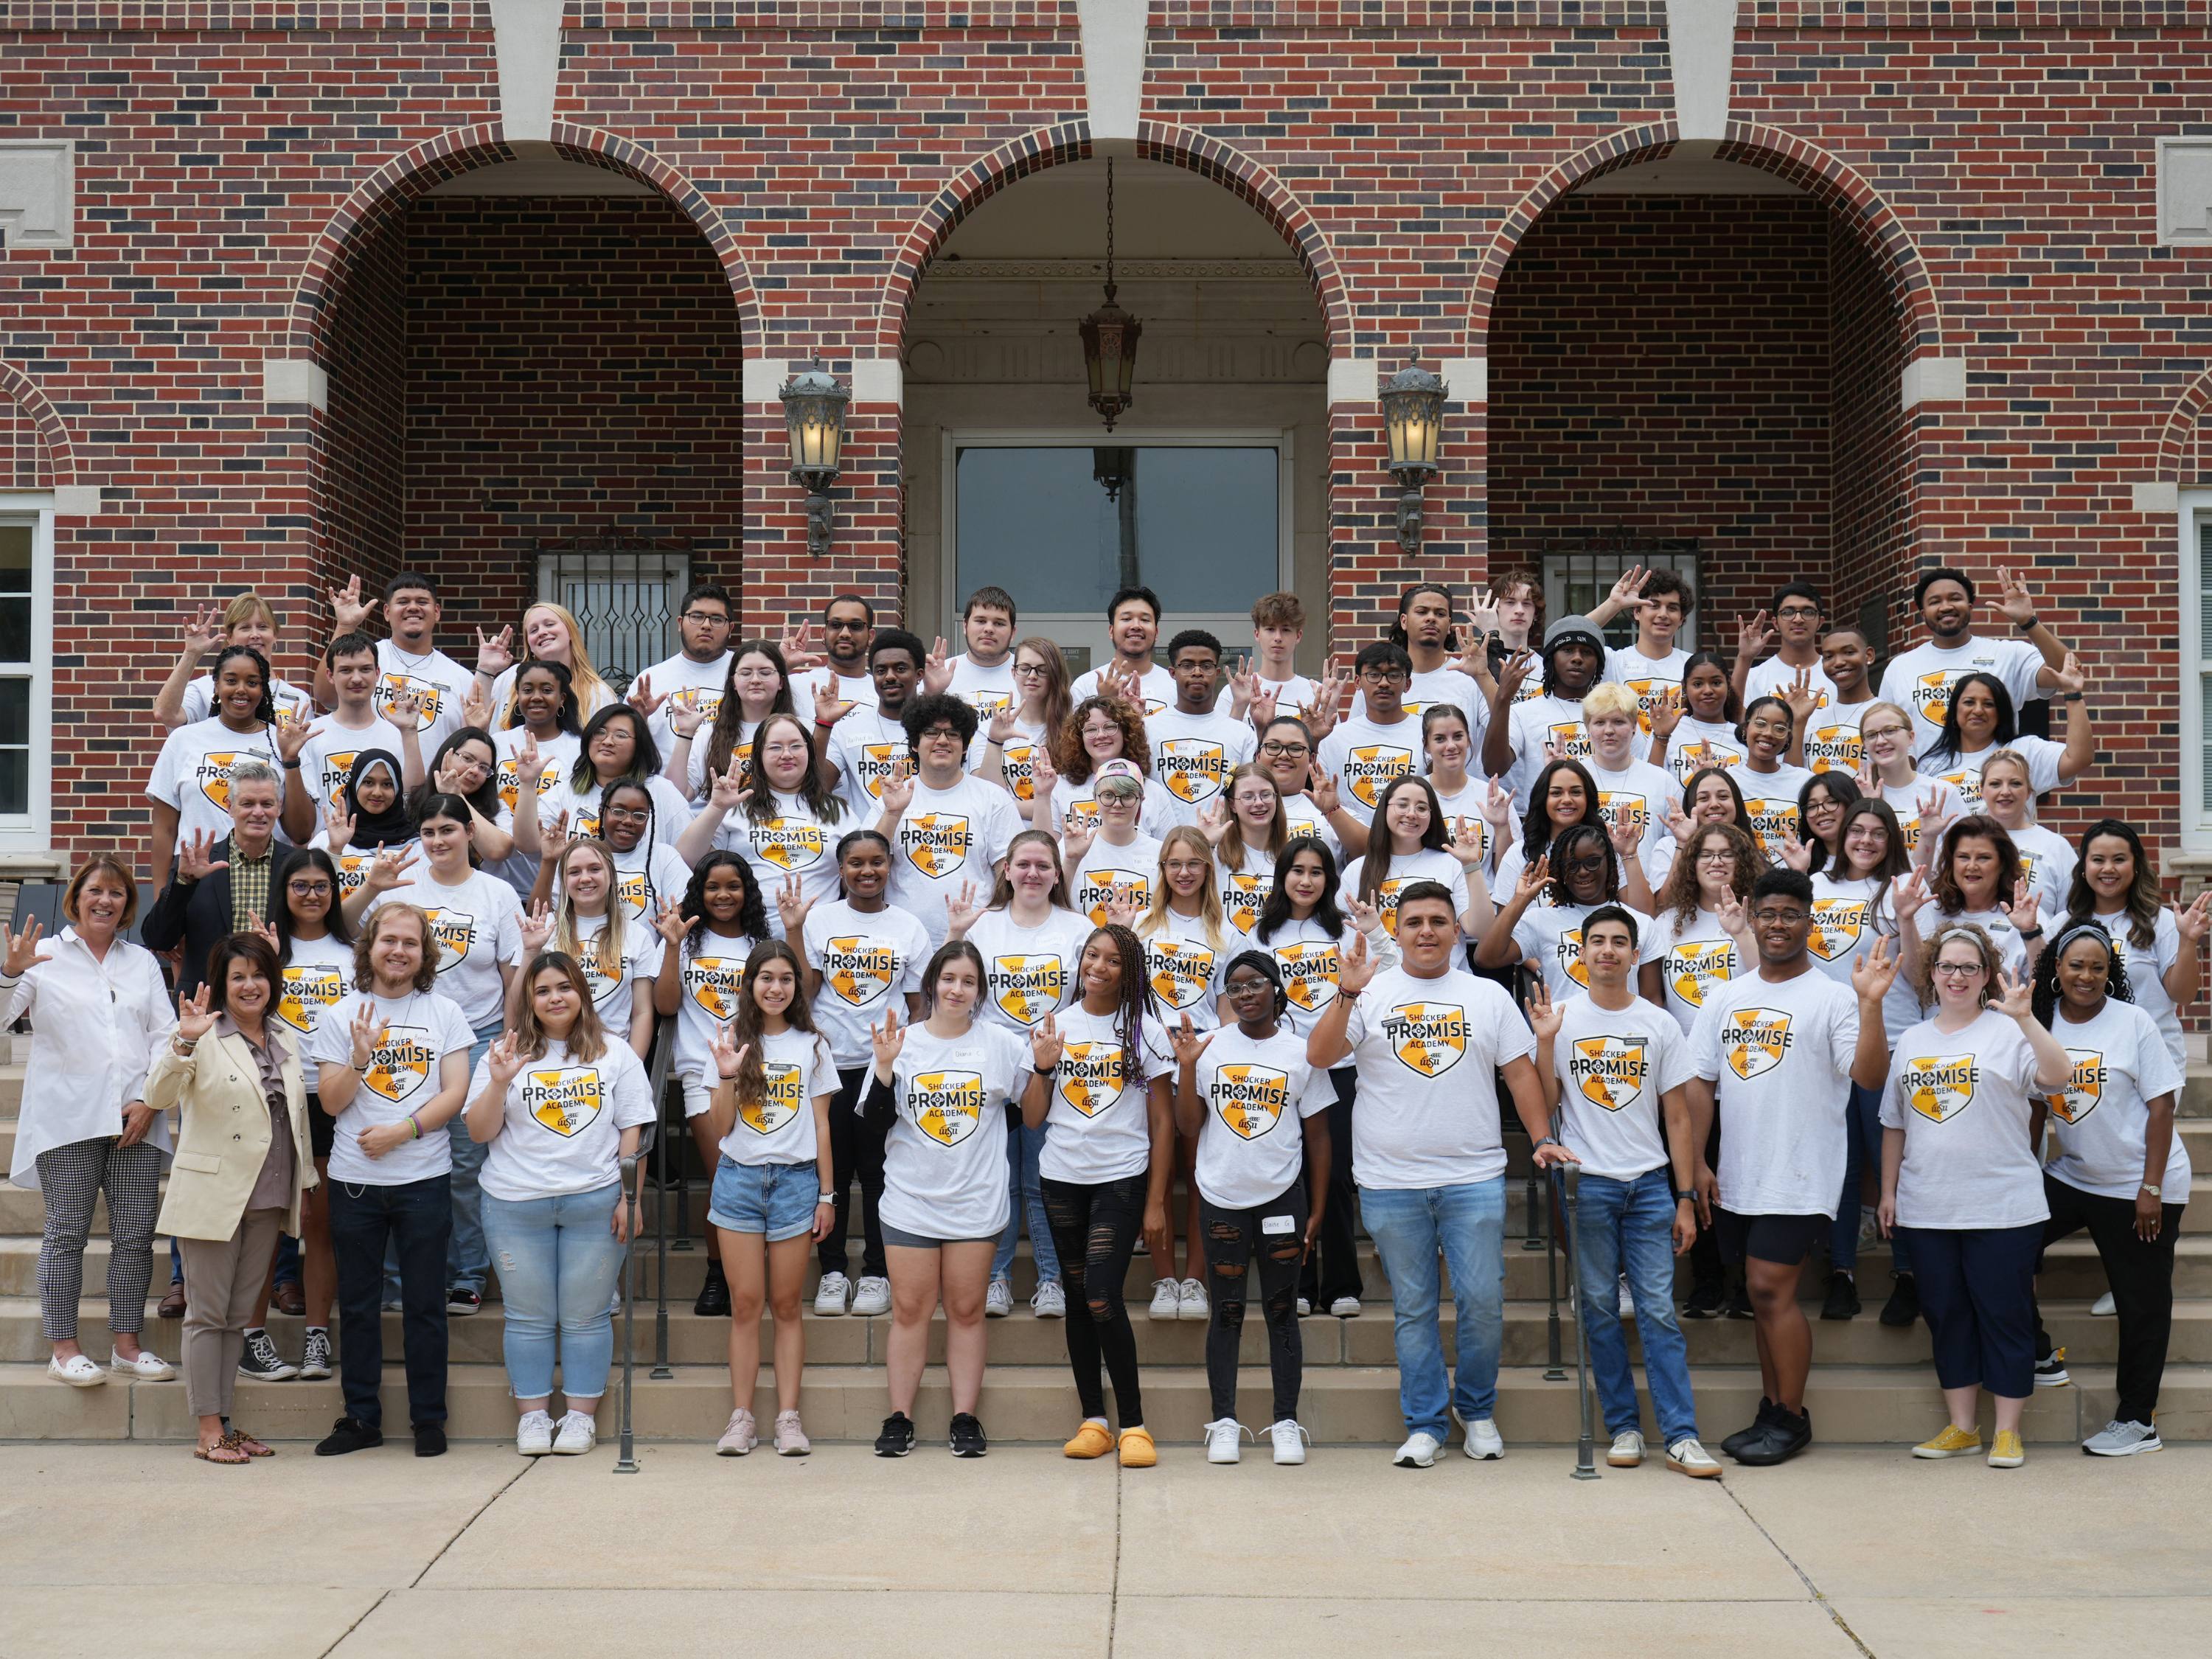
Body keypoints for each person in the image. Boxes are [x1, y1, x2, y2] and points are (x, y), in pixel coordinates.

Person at [1308, 883, 1564, 1467]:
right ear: (1395, 932)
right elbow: (1320, 1057)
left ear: (1457, 931)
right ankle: (1424, 1422)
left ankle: (1474, 1410)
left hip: (1473, 1175)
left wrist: (1544, 1136)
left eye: (1439, 921)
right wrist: (1346, 993)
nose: (1427, 931)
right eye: (1415, 922)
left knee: (1483, 1302)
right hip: (1390, 1179)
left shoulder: (1487, 997)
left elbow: (1521, 1077)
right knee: (1414, 1308)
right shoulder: (1369, 993)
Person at [1685, 868, 1889, 1466]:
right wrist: (1696, 1161)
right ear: (1752, 918)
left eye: (1791, 915)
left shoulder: (1832, 997)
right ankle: (1772, 1408)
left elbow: (1870, 1077)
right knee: (1757, 1292)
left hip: (1802, 1174)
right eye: (1768, 914)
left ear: (1809, 921)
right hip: (1741, 1172)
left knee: (1772, 1289)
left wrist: (1872, 1005)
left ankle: (1792, 1417)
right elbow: (1700, 1083)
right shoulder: (1726, 994)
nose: (1778, 925)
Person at [1870, 922, 2069, 1468]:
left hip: (2004, 1206)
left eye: (1969, 967)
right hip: (1928, 1205)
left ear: (1986, 975)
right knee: (1947, 1315)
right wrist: (1888, 1193)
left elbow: (2058, 1077)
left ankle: (2007, 1432)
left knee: (2004, 1315)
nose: (1957, 976)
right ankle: (1963, 1427)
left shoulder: (2008, 1030)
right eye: (1946, 966)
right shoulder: (1913, 1039)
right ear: (1931, 973)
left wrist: (2027, 1018)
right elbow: (1894, 1124)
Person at [1530, 914, 1722, 1478]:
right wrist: (1544, 1044)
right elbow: (1546, 1102)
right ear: (1581, 952)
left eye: (1619, 942)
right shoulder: (1560, 1020)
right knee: (1598, 1309)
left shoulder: (1659, 1022)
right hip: (1588, 1185)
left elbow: (1679, 1117)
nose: (1608, 950)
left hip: (1648, 1186)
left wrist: (1685, 1196)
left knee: (1659, 1312)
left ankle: (1682, 1436)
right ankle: (1624, 1427)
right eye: (1598, 942)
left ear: (1635, 954)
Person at [307, 902, 475, 1457]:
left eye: (410, 942)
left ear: (424, 953)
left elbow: (455, 1093)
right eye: (388, 941)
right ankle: (361, 1418)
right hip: (356, 1183)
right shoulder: (341, 1014)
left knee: (426, 1304)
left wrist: (404, 1130)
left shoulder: (444, 1013)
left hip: (423, 1177)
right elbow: (331, 1104)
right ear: (370, 948)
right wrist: (358, 1059)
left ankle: (429, 1420)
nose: (398, 951)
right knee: (358, 1304)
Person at [1, 859, 175, 1388]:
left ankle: (127, 1345)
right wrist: (10, 972)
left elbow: (166, 1035)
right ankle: (64, 1348)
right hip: (68, 1118)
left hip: (135, 1120)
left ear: (128, 903)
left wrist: (151, 1099)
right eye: (96, 891)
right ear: (75, 897)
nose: (106, 900)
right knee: (67, 1234)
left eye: (118, 892)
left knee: (134, 1236)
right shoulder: (43, 956)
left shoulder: (142, 961)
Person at [865, 942, 1043, 1458]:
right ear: (932, 985)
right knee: (909, 1310)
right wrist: (883, 1068)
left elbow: (1028, 1117)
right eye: (948, 980)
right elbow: (874, 1126)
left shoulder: (1002, 1045)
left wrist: (1047, 1070)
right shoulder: (903, 1043)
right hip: (910, 1201)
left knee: (967, 1310)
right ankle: (899, 1418)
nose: (957, 990)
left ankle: (965, 1418)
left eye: (968, 981)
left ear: (981, 990)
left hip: (975, 1202)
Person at [467, 950, 649, 1457]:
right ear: (529, 999)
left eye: (564, 987)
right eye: (543, 990)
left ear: (582, 993)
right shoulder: (502, 1052)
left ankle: (578, 1419)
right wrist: (500, 1081)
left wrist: (629, 1198)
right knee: (528, 1315)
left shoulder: (615, 1053)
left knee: (585, 1315)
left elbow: (633, 1129)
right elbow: (480, 1131)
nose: (554, 997)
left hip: (594, 1199)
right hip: (514, 1202)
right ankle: (531, 1419)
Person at [352, 792, 525, 1313]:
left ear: (470, 833)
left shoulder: (497, 895)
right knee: (400, 1159)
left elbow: (512, 976)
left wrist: (507, 1044)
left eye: (448, 829)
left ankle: (468, 1273)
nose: (437, 841)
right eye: (428, 831)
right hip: (405, 1039)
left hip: (476, 1036)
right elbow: (358, 944)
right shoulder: (401, 886)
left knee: (467, 1166)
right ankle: (398, 1279)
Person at [2028, 919, 2190, 1455]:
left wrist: (2151, 1188)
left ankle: (2137, 1419)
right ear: (2057, 967)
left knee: (2142, 1303)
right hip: (2075, 1174)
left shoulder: (2133, 1022)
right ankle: (2036, 1351)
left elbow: (2162, 1106)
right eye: (2076, 964)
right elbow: (2033, 1106)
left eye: (2099, 967)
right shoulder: (2041, 1021)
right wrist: (2025, 1171)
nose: (2087, 976)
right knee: (2009, 1240)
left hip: (2139, 1182)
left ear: (2110, 972)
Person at [146, 936, 307, 1465]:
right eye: (238, 976)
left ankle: (228, 1426)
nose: (250, 985)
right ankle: (208, 1429)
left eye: (258, 975)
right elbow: (158, 1096)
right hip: (213, 1195)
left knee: (238, 1318)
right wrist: (183, 1043)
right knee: (208, 1316)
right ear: (220, 982)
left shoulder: (285, 1036)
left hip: (266, 1196)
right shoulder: (199, 1034)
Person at [1175, 952, 1332, 1466]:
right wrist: (1188, 1066)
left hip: (1283, 1195)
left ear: (1276, 989)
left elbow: (1319, 1136)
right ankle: (1224, 1421)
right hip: (1222, 1195)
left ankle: (1285, 1421)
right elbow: (1189, 1126)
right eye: (1235, 987)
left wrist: (1318, 1208)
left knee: (1282, 1313)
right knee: (1227, 1312)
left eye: (1255, 984)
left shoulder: (1300, 1052)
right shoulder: (1211, 1047)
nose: (1244, 994)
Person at [1027, 925, 1174, 1467]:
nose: (1100, 967)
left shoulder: (1146, 1031)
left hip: (1122, 1176)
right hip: (1062, 1176)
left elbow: (1162, 1121)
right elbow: (1033, 1117)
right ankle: (1094, 1421)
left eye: (1114, 960)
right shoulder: (1052, 1026)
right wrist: (1043, 1064)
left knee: (1100, 1294)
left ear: (1128, 971)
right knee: (1075, 1295)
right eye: (1092, 955)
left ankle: (1134, 1425)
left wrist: (1157, 1201)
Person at [693, 940, 837, 1456]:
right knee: (746, 1304)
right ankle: (742, 1418)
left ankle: (789, 1419)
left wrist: (828, 1194)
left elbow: (822, 1125)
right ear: (750, 984)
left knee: (786, 1304)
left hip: (797, 1183)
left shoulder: (812, 1045)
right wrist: (728, 1072)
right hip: (740, 1181)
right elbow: (721, 1125)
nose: (776, 988)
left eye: (786, 979)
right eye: (766, 978)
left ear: (797, 987)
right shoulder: (729, 1040)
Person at [1248, 837, 1397, 1316]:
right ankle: (1299, 1284)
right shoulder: (1260, 935)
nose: (1307, 880)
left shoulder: (1345, 929)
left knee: (1333, 1177)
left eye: (1317, 871)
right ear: (1282, 877)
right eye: (1297, 870)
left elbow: (1393, 971)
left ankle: (1341, 1285)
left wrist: (1375, 933)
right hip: (1283, 1069)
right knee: (1288, 1176)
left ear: (1329, 880)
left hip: (1340, 1069)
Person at [942, 829, 1082, 1320]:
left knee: (1044, 1178)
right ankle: (996, 1277)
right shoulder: (984, 926)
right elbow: (957, 992)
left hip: (1053, 1071)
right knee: (997, 1178)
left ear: (1058, 874)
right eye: (1023, 864)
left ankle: (1051, 1279)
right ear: (1006, 869)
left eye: (1044, 865)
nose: (1033, 873)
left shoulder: (1077, 928)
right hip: (995, 1069)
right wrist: (957, 935)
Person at [793, 830, 931, 1319]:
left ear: (890, 865)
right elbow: (804, 992)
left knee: (877, 1173)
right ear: (841, 869)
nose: (866, 871)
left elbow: (916, 1006)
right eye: (855, 863)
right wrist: (793, 931)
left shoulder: (909, 927)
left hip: (882, 1068)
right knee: (833, 1172)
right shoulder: (820, 920)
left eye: (876, 862)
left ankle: (875, 1272)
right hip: (830, 1065)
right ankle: (832, 1272)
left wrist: (901, 1060)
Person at [1801, 799, 1924, 1323]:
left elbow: (1921, 978)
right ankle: (1842, 1274)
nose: (1866, 841)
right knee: (1841, 1164)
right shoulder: (1814, 886)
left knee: (1889, 1162)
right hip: (1824, 1047)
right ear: (1842, 835)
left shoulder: (1904, 892)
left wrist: (1907, 919)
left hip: (1889, 1042)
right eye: (1858, 831)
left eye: (1878, 832)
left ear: (1892, 838)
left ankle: (1908, 1274)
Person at [647, 852, 771, 1317]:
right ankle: (719, 1272)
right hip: (702, 1071)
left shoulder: (761, 942)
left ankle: (754, 1271)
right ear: (700, 890)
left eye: (733, 886)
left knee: (757, 1176)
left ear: (747, 892)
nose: (723, 895)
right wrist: (674, 946)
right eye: (714, 886)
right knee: (725, 1178)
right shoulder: (686, 940)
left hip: (760, 1073)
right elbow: (664, 1005)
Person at [248, 848, 351, 1382]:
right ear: (282, 892)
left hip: (331, 1097)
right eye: (300, 885)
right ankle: (251, 1335)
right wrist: (268, 961)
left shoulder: (353, 952)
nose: (311, 895)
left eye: (321, 885)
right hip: (274, 1096)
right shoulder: (265, 951)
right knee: (268, 1221)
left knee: (319, 1223)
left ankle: (316, 1338)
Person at [2061, 820, 2211, 1074]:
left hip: (2152, 1060)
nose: (2108, 868)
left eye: (2119, 859)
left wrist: (2188, 940)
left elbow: (2183, 996)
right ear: (2084, 867)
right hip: (2086, 1061)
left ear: (2136, 866)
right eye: (2098, 860)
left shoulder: (2161, 923)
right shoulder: (2064, 925)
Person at [678, 712, 844, 937]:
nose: (787, 755)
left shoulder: (838, 810)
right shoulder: (736, 804)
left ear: (809, 752)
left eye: (796, 746)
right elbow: (687, 858)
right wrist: (717, 807)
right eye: (775, 747)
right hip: (749, 940)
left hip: (818, 941)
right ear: (758, 756)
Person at [1877, 566, 2070, 759]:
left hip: (1997, 785)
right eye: (1935, 602)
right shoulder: (1900, 668)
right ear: (1923, 614)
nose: (1946, 607)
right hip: (1927, 787)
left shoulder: (2007, 654)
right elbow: (1882, 735)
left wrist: (2028, 621)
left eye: (1955, 598)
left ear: (1970, 606)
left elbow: (2068, 672)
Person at [877, 692, 1021, 949]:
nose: (942, 740)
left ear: (965, 746)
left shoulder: (993, 799)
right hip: (904, 942)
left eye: (953, 734)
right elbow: (869, 861)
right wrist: (892, 813)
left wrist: (996, 927)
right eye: (932, 732)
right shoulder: (892, 798)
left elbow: (1009, 874)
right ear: (914, 743)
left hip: (975, 942)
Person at [142, 757, 290, 1001]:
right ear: (229, 806)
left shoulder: (295, 865)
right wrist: (184, 884)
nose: (258, 812)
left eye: (267, 803)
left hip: (276, 1002)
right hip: (205, 1004)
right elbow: (158, 939)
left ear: (280, 806)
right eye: (247, 803)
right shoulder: (194, 864)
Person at [146, 644, 284, 890]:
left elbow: (299, 830)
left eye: (252, 682)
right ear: (216, 686)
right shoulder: (183, 739)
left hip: (264, 874)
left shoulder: (281, 741)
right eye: (231, 680)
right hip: (193, 876)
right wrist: (161, 898)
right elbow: (164, 830)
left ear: (263, 690)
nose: (241, 689)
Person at [1478, 821, 1652, 1004]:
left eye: (1592, 862)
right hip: (1561, 1030)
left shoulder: (1640, 922)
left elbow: (1652, 1000)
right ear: (1560, 869)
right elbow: (1486, 958)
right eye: (1572, 864)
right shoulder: (1540, 919)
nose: (1583, 872)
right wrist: (1520, 900)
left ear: (1610, 863)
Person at [518, 840, 658, 1061]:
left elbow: (642, 1012)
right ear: (563, 881)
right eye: (574, 872)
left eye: (595, 869)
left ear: (611, 875)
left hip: (612, 1057)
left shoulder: (637, 934)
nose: (585, 878)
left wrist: (633, 1066)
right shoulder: (543, 929)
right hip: (550, 1057)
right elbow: (520, 1002)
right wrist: (530, 952)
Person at [323, 571, 477, 754]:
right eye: (403, 602)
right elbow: (326, 696)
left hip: (434, 782)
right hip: (368, 779)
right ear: (387, 612)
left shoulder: (462, 678)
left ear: (436, 612)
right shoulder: (367, 658)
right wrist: (345, 626)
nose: (413, 608)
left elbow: (470, 746)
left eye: (422, 602)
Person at [1917, 661, 2093, 814]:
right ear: (1955, 711)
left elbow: (2079, 758)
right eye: (1969, 702)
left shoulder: (2023, 750)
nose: (1978, 710)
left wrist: (2073, 695)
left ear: (2000, 713)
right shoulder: (1930, 764)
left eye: (1988, 704)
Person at [283, 631, 408, 841]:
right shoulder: (310, 735)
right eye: (346, 670)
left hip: (382, 851)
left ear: (377, 673)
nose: (357, 678)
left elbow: (410, 800)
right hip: (327, 854)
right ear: (330, 676)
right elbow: (301, 825)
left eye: (365, 669)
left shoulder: (397, 735)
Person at [518, 705, 690, 856]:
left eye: (621, 735)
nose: (607, 741)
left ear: (640, 745)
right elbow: (528, 846)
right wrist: (527, 784)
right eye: (599, 732)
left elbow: (688, 855)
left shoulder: (661, 791)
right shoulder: (567, 791)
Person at [1910, 816, 2045, 1007]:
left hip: (2004, 1033)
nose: (1972, 866)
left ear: (2002, 864)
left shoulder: (2028, 915)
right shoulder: (1932, 910)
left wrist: (2031, 932)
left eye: (1984, 858)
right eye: (1963, 857)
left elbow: (2043, 987)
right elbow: (1917, 979)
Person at [1638, 824, 1757, 1036]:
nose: (1717, 861)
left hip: (1742, 1043)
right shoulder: (1666, 922)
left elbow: (1769, 980)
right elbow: (1652, 998)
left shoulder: (1757, 915)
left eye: (1727, 854)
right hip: (1683, 1053)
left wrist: (1742, 933)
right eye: (1706, 855)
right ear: (1692, 864)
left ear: (1742, 863)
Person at [1482, 613, 1612, 807]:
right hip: (1543, 829)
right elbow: (1494, 768)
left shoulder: (1613, 714)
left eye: (1587, 652)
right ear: (1551, 659)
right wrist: (1503, 697)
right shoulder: (1524, 712)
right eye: (1567, 650)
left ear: (1599, 663)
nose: (1577, 658)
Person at [1342, 773, 1488, 942]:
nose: (1412, 814)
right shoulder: (1357, 869)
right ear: (1384, 808)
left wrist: (1472, 865)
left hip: (1443, 968)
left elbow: (1481, 930)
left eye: (1421, 808)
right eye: (1402, 805)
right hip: (1380, 968)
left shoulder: (1452, 864)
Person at [156, 591, 317, 730]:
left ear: (275, 635)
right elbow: (165, 714)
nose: (255, 634)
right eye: (245, 627)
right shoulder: (205, 688)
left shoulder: (298, 698)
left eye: (262, 627)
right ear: (230, 637)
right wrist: (191, 654)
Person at [667, 639, 801, 804]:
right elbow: (675, 796)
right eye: (745, 673)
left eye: (765, 673)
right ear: (734, 683)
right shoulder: (711, 734)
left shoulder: (802, 730)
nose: (755, 680)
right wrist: (685, 733)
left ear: (781, 681)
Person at [488, 661, 583, 891]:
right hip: (498, 877)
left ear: (562, 698)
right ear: (517, 696)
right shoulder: (497, 743)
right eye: (528, 690)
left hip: (553, 879)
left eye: (547, 690)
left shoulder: (580, 749)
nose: (537, 696)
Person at [1146, 630, 1257, 827]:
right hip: (1162, 849)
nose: (1197, 672)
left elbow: (1248, 794)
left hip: (1221, 850)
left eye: (1206, 666)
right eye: (1187, 665)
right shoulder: (1148, 728)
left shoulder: (1242, 734)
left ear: (1217, 673)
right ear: (1172, 673)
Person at [1034, 694, 1180, 840]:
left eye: (1110, 727)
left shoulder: (1153, 791)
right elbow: (1043, 848)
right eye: (1091, 729)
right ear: (1079, 738)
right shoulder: (1059, 786)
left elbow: (1169, 851)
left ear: (1126, 733)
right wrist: (1042, 795)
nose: (1101, 735)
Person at [816, 627, 925, 811]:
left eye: (900, 668)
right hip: (867, 838)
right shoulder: (848, 729)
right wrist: (824, 725)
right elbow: (818, 788)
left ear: (919, 674)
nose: (890, 676)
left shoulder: (939, 729)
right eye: (881, 670)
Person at [1316, 641, 1426, 817]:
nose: (1383, 683)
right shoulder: (1336, 738)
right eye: (1374, 675)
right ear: (1358, 682)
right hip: (1347, 841)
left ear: (1407, 684)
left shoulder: (1426, 733)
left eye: (1394, 675)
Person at [1580, 682, 1677, 870]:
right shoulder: (1574, 777)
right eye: (1600, 722)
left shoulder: (1662, 781)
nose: (1609, 731)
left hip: (1645, 891)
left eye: (1618, 722)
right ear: (1587, 728)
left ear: (1634, 727)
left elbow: (1674, 846)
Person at [1854, 700, 1966, 861]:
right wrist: (1869, 808)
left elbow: (1966, 850)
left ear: (1911, 737)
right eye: (1871, 735)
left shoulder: (1943, 792)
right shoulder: (1857, 796)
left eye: (1890, 731)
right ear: (1864, 744)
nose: (1881, 741)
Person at [632, 580, 734, 753]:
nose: (706, 625)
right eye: (696, 616)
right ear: (680, 623)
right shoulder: (651, 680)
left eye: (717, 619)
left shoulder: (746, 673)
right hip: (665, 779)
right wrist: (639, 718)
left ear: (731, 628)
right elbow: (629, 746)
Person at [1587, 565, 1693, 731]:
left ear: (1681, 619)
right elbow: (1570, 634)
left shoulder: (1692, 665)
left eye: (1672, 608)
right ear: (1637, 612)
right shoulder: (1613, 661)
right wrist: (1614, 604)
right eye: (1654, 605)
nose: (1663, 614)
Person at [473, 602, 615, 725]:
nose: (542, 632)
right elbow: (475, 721)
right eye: (534, 630)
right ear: (529, 644)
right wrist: (486, 670)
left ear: (571, 632)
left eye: (549, 624)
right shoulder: (512, 677)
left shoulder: (598, 693)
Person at [1061, 759, 1163, 928]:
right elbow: (1053, 906)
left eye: (1127, 796)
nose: (1117, 804)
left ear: (1141, 800)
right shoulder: (1068, 847)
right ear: (1095, 798)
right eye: (1108, 795)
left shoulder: (1159, 852)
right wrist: (1072, 860)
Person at [973, 636, 1071, 807]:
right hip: (1004, 832)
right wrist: (996, 741)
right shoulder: (988, 728)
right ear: (1013, 673)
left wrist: (1006, 807)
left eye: (1042, 669)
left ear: (1055, 674)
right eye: (1025, 668)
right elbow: (986, 797)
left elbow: (1067, 803)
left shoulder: (1071, 728)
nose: (1032, 676)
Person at [400, 726, 515, 869]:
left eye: (483, 767)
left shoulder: (497, 808)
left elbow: (498, 851)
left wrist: (457, 795)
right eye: (467, 758)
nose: (474, 770)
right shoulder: (415, 800)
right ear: (447, 754)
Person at [1976, 750, 2075, 914]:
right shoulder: (1964, 839)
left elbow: (2072, 913)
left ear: (2029, 791)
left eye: (2015, 783)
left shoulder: (2056, 846)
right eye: (1995, 784)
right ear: (1982, 790)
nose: (2006, 791)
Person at [315, 750, 416, 905]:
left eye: (387, 784)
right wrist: (334, 850)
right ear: (355, 784)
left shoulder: (415, 847)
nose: (377, 792)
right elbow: (312, 892)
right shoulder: (326, 840)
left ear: (397, 789)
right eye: (368, 782)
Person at [1386, 582, 1488, 734]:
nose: (1431, 618)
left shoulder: (1471, 678)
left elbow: (1504, 734)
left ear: (1449, 625)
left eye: (1440, 614)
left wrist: (1484, 677)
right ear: (1404, 621)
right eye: (1422, 612)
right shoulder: (1379, 680)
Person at [1068, 585, 1175, 714]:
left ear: (1156, 633)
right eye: (1126, 619)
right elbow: (1075, 734)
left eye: (1145, 620)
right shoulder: (1085, 686)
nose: (1136, 626)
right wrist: (1106, 701)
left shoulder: (1175, 686)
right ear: (1111, 631)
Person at [1208, 762, 1288, 933]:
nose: (1259, 803)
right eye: (1248, 796)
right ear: (1232, 805)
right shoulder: (1215, 853)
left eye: (1266, 795)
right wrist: (1205, 846)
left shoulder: (1292, 858)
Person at [1733, 695, 1815, 861]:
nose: (1769, 733)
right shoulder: (1728, 779)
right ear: (1745, 729)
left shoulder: (1805, 781)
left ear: (1787, 738)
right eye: (1760, 724)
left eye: (1779, 728)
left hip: (1792, 881)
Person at [1647, 650, 1747, 785]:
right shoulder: (1670, 731)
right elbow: (1652, 786)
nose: (1707, 691)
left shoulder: (1743, 737)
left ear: (1728, 684)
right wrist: (1662, 737)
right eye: (1698, 684)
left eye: (1716, 683)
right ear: (1684, 687)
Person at [1732, 582, 1836, 710]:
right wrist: (1744, 658)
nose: (1798, 619)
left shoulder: (1835, 673)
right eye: (1788, 612)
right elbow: (1734, 720)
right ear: (1775, 623)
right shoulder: (1754, 677)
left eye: (1808, 612)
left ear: (1820, 622)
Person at [1798, 622, 1880, 776]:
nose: (1838, 662)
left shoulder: (1888, 716)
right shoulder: (1811, 718)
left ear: (1868, 656)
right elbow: (1793, 776)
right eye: (1829, 657)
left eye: (1849, 652)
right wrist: (1798, 722)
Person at [795, 591, 879, 716]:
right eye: (835, 625)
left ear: (870, 637)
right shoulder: (796, 686)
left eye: (856, 626)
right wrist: (783, 664)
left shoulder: (885, 691)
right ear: (824, 634)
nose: (845, 633)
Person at [945, 585, 1019, 720]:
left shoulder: (1029, 674)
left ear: (1013, 633)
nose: (989, 629)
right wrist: (931, 692)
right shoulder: (942, 673)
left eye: (999, 623)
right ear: (965, 626)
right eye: (981, 621)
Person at [1245, 591, 1319, 718]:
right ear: (1257, 634)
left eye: (1286, 630)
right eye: (1270, 629)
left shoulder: (1317, 693)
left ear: (1298, 636)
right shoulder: (1235, 692)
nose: (1278, 638)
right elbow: (1221, 738)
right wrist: (1238, 705)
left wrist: (1330, 708)